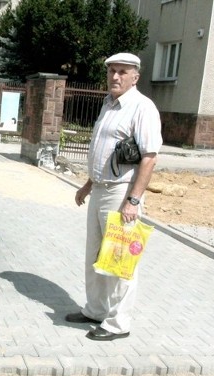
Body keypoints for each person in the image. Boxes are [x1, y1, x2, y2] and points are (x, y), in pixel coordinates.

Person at [66, 52, 163, 341]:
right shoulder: (108, 105)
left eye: (122, 72)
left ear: (136, 76)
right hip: (99, 190)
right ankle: (95, 309)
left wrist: (133, 201)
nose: (115, 77)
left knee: (121, 261)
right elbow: (104, 152)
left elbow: (149, 157)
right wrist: (87, 185)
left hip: (122, 193)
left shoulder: (142, 108)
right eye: (111, 71)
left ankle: (118, 323)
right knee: (94, 255)